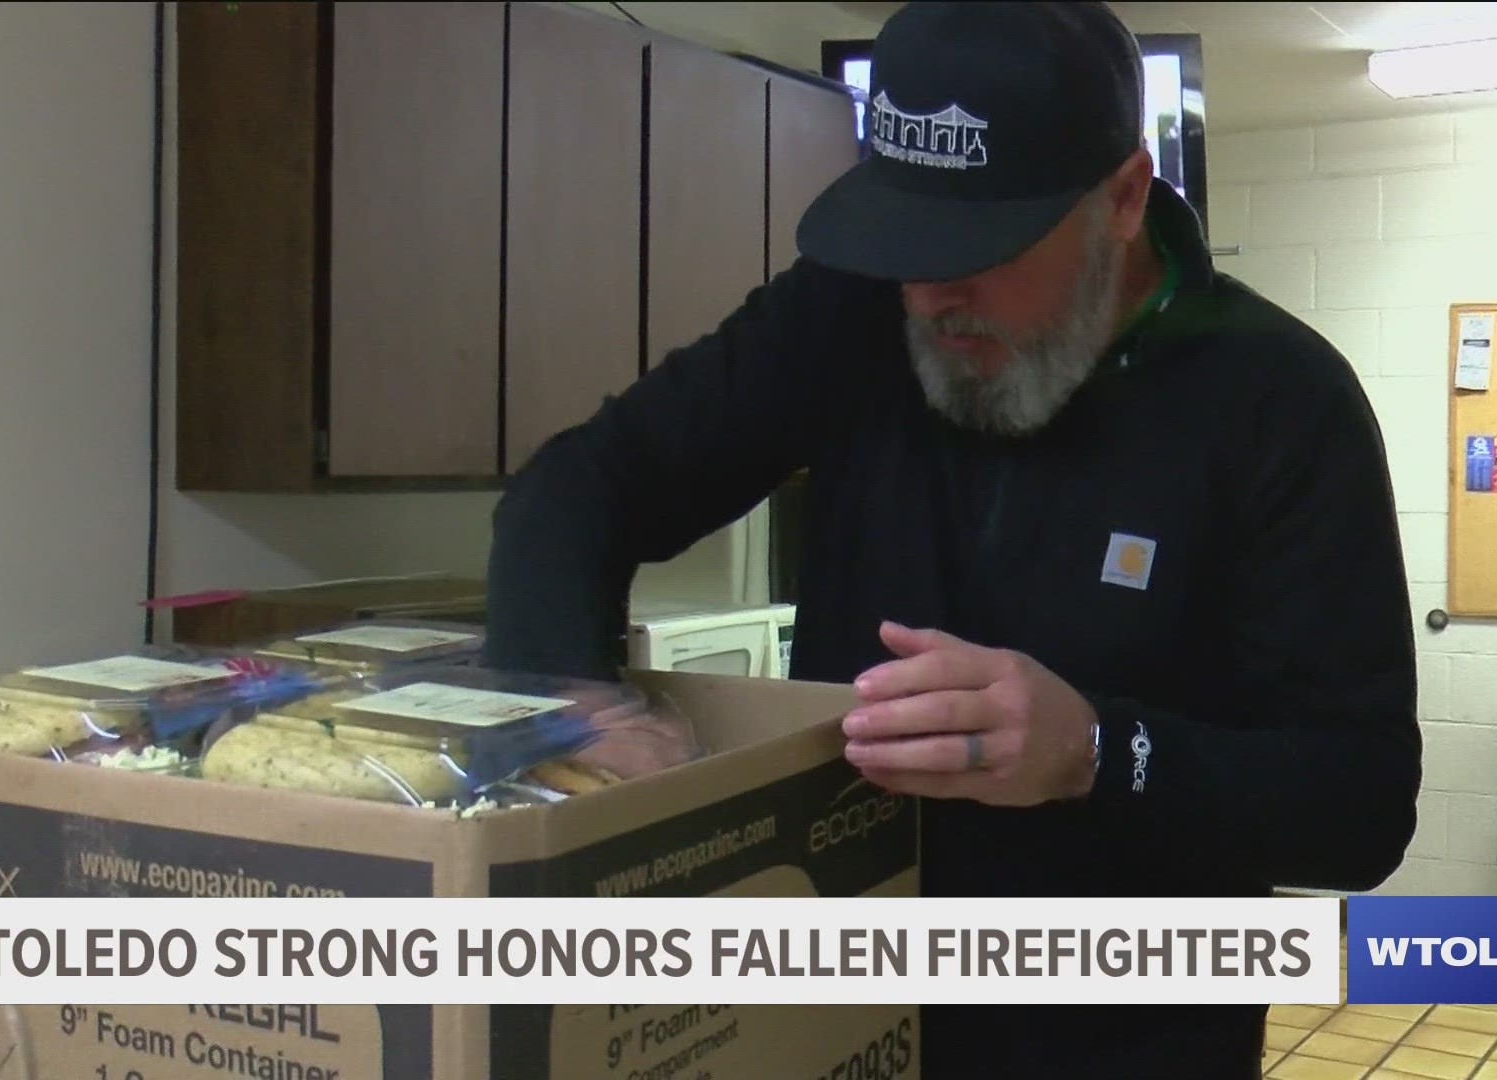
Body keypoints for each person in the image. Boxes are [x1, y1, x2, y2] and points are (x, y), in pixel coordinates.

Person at [484, 2, 1422, 1076]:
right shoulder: (850, 314)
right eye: (905, 242)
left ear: (1123, 197)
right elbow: (575, 492)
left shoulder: (1281, 403)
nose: (932, 294)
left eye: (984, 247)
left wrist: (1095, 754)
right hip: (845, 1017)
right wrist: (572, 708)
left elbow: (1358, 806)